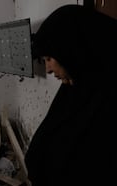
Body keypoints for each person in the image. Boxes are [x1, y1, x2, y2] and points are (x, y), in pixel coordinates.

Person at [25, 4, 117, 186]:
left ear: (72, 49)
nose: (49, 69)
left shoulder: (108, 101)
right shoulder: (75, 88)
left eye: (49, 59)